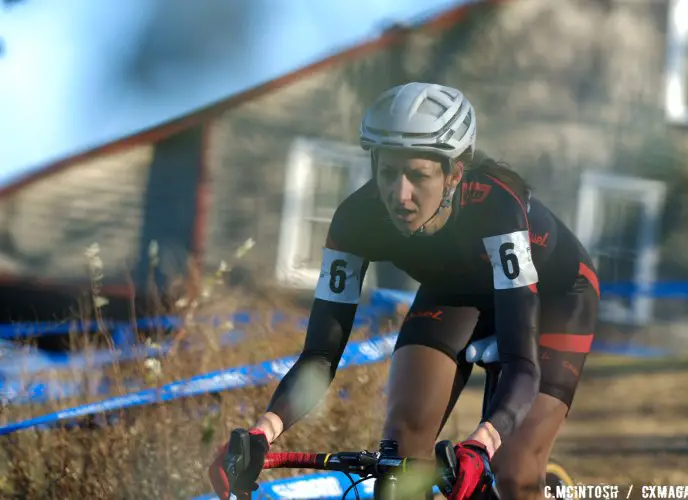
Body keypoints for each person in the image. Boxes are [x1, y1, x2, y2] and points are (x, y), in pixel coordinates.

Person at [208, 82, 600, 500]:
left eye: (418, 175)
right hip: (456, 288)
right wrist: (263, 431)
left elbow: (522, 365)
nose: (400, 194)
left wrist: (483, 442)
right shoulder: (356, 220)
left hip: (555, 297)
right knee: (399, 458)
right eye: (388, 172)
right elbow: (321, 356)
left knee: (512, 474)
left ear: (454, 173)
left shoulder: (497, 211)